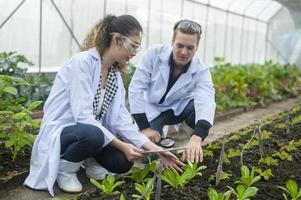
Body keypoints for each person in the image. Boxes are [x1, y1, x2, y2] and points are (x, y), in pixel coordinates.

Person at [24, 14, 183, 196]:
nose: (135, 52)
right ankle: (65, 168)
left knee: (122, 163)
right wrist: (122, 145)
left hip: (92, 133)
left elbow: (121, 121)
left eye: (137, 47)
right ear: (116, 39)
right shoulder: (82, 63)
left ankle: (88, 158)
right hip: (65, 130)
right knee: (94, 135)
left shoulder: (114, 75)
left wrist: (157, 150)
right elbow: (83, 117)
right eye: (133, 45)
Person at [129, 19, 216, 164]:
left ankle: (181, 143)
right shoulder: (154, 54)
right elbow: (136, 88)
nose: (184, 52)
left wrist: (196, 138)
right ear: (172, 41)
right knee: (146, 155)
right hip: (153, 108)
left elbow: (206, 101)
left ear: (197, 47)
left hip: (179, 108)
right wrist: (144, 128)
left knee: (198, 108)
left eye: (190, 48)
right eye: (180, 46)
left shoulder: (201, 69)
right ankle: (164, 146)